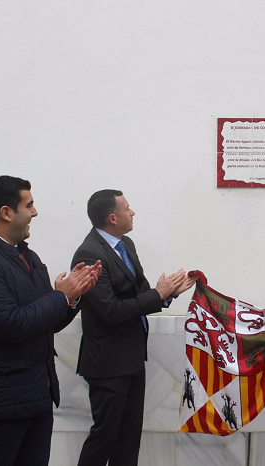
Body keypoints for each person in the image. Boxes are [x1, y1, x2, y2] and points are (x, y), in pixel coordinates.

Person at [0, 175, 101, 465]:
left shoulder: (27, 257)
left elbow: (46, 322)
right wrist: (59, 297)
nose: (35, 212)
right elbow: (9, 325)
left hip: (36, 396)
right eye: (28, 205)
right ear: (6, 213)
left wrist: (72, 298)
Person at [72, 189, 197, 466]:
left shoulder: (125, 244)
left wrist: (167, 292)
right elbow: (110, 311)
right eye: (128, 208)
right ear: (112, 217)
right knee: (105, 435)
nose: (133, 212)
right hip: (107, 363)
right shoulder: (90, 253)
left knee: (129, 439)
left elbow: (139, 293)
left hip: (131, 357)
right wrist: (157, 294)